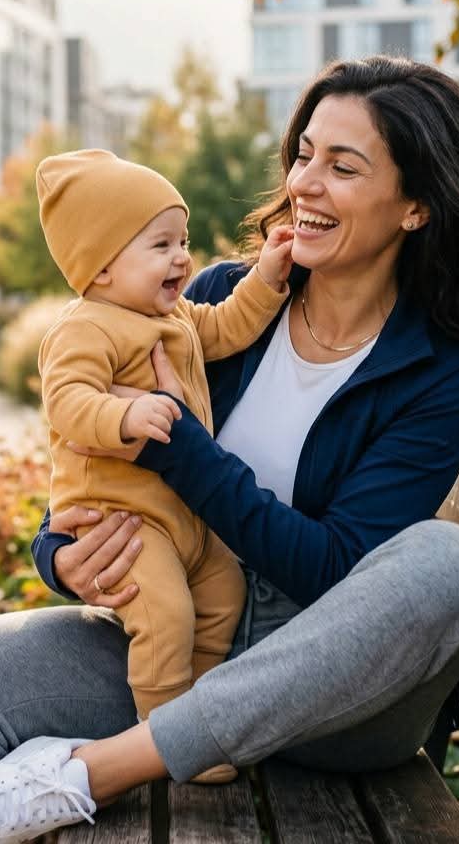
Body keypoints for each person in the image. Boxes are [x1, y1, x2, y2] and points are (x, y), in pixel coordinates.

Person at [0, 56, 459, 844]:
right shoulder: (215, 299)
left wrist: (183, 449)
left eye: (343, 165)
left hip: (332, 690)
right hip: (187, 640)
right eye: (303, 153)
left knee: (450, 564)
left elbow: (337, 570)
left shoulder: (435, 367)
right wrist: (58, 554)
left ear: (415, 206)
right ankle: (125, 758)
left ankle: (89, 774)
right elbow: (88, 453)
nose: (306, 183)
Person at [34, 150, 293, 780]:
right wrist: (122, 417)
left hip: (187, 521)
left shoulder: (173, 315)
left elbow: (229, 326)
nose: (182, 257)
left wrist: (266, 275)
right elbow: (65, 401)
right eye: (160, 245)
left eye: (181, 240)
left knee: (222, 596)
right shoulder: (84, 330)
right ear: (99, 268)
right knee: (165, 616)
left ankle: (202, 719)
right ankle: (163, 739)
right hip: (126, 522)